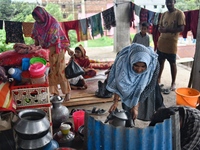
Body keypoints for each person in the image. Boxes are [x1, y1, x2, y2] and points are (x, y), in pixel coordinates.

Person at [106, 43, 164, 127]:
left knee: (156, 107)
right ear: (131, 61)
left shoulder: (154, 64)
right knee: (128, 110)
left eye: (143, 66)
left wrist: (136, 106)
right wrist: (115, 102)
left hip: (147, 86)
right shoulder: (122, 62)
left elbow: (150, 86)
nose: (139, 70)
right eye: (136, 65)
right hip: (127, 88)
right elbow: (118, 83)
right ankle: (130, 124)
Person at [31, 6, 74, 101]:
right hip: (46, 52)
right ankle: (54, 93)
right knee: (50, 73)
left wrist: (69, 49)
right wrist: (36, 49)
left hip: (58, 51)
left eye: (38, 17)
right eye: (35, 18)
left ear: (42, 15)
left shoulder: (53, 23)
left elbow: (61, 38)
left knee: (60, 72)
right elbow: (36, 38)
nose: (37, 20)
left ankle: (67, 92)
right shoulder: (36, 25)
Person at [157, 0, 185, 91]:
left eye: (170, 2)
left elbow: (181, 28)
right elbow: (160, 27)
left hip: (171, 43)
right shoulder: (164, 14)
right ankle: (158, 80)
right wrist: (161, 29)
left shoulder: (179, 13)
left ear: (174, 2)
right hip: (161, 43)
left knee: (172, 64)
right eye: (167, 2)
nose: (168, 4)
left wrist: (167, 30)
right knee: (160, 62)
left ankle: (173, 83)